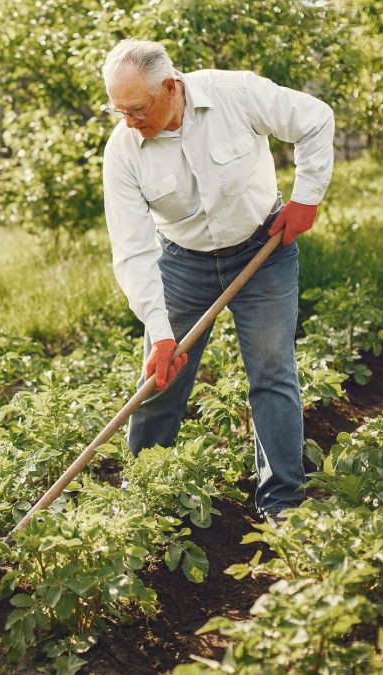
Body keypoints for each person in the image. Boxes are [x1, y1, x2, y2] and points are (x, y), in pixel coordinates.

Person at [100, 39, 335, 521]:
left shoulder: (236, 94)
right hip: (182, 263)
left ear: (171, 87)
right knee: (161, 377)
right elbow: (133, 248)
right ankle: (143, 494)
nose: (128, 121)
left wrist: (306, 197)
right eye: (117, 109)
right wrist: (161, 333)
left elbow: (315, 119)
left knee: (272, 372)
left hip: (262, 249)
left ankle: (283, 503)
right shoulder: (123, 150)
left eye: (137, 109)